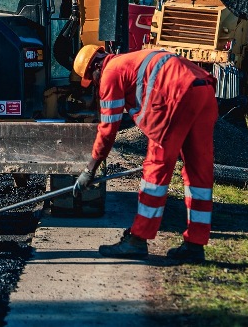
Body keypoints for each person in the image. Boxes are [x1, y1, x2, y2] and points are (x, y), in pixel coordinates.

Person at [72, 43, 218, 263]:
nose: (95, 84)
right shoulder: (130, 62)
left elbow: (108, 129)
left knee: (155, 171)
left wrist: (89, 169)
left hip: (177, 94)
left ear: (95, 68)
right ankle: (195, 245)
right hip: (203, 89)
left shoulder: (110, 73)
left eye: (91, 80)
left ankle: (137, 240)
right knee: (199, 172)